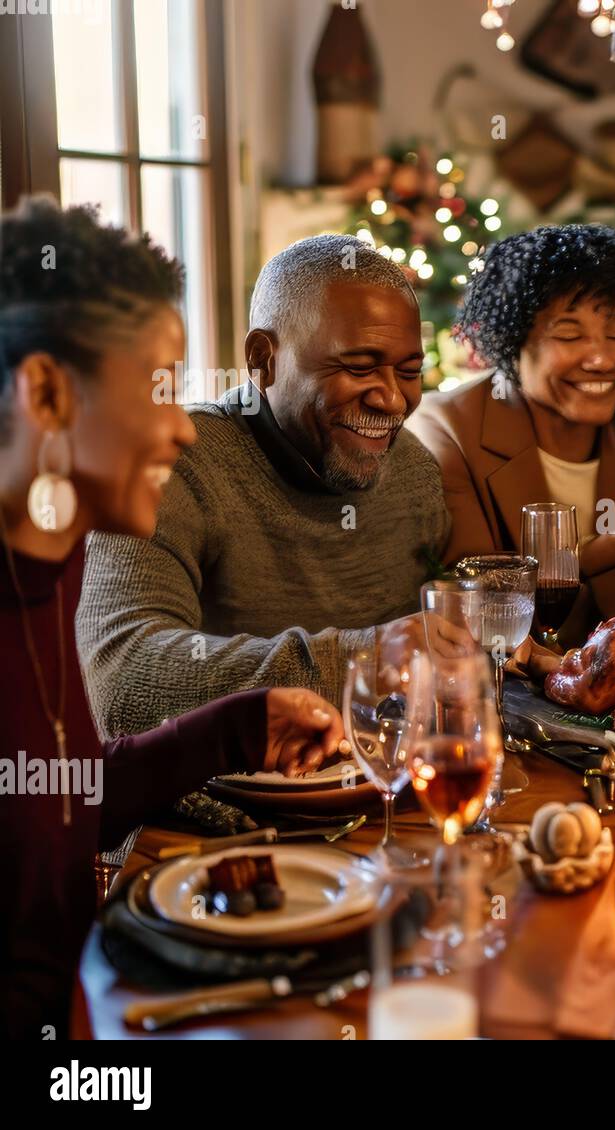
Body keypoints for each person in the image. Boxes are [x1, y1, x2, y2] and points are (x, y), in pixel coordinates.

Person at [0, 198, 347, 1037]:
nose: (183, 429)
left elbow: (56, 805)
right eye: (160, 388)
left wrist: (234, 728)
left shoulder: (55, 559)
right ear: (45, 392)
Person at [77, 234, 450, 737]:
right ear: (263, 359)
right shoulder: (172, 467)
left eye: (408, 372)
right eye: (358, 367)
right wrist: (365, 660)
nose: (392, 400)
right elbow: (122, 679)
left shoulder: (414, 470)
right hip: (223, 806)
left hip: (386, 791)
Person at [408, 224, 615, 643]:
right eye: (568, 334)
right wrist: (614, 546)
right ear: (512, 342)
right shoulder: (446, 429)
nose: (600, 358)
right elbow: (476, 602)